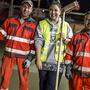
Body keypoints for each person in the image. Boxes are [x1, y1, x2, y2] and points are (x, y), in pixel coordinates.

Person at [35, 1, 73, 90]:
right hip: (43, 62)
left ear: (60, 12)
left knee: (51, 87)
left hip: (58, 63)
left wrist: (64, 39)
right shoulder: (42, 24)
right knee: (42, 87)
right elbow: (38, 42)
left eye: (56, 10)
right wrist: (38, 59)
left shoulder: (65, 25)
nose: (53, 12)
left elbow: (71, 44)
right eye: (51, 10)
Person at [0, 0, 37, 90]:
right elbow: (1, 34)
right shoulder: (10, 20)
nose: (26, 9)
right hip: (8, 55)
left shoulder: (34, 25)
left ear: (31, 10)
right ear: (21, 7)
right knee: (4, 80)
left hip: (23, 58)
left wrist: (29, 59)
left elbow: (33, 45)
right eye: (24, 6)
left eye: (28, 7)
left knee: (24, 81)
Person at [65, 11, 90, 90]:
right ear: (84, 21)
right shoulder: (76, 36)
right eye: (87, 19)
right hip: (76, 75)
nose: (89, 21)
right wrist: (68, 69)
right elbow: (68, 54)